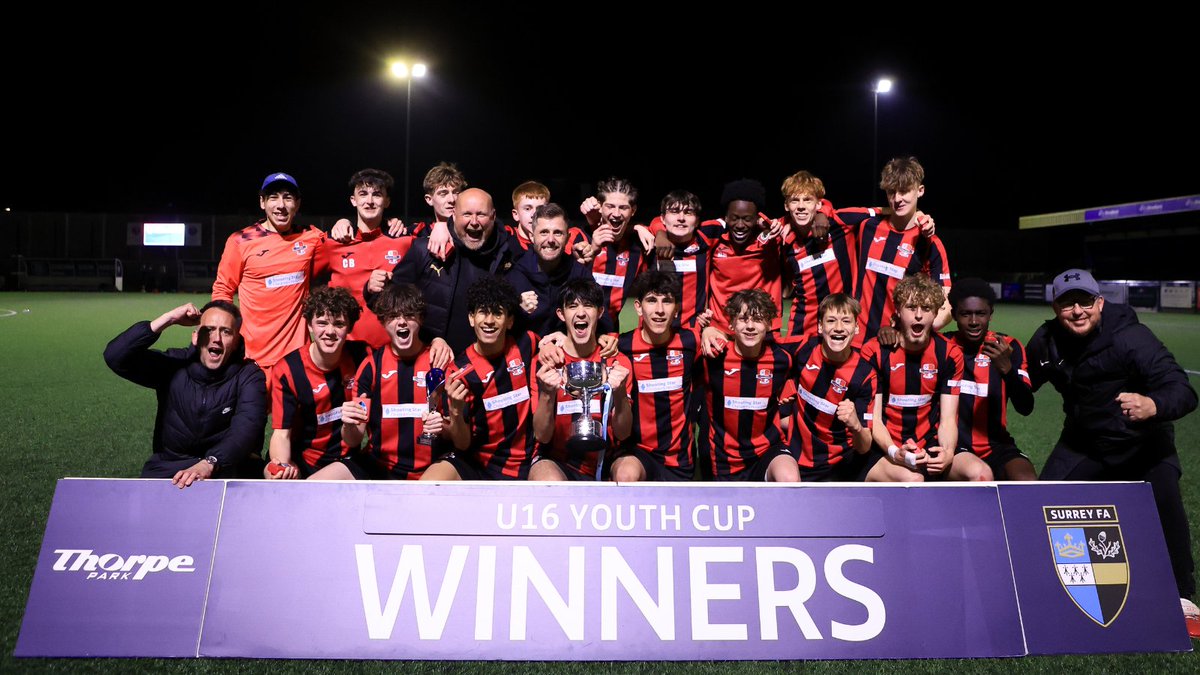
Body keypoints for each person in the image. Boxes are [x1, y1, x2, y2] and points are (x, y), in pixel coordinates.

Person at [1028, 268, 1198, 633]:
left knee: (1166, 496)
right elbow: (1024, 389)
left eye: (1085, 301)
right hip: (1085, 441)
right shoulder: (1046, 341)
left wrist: (1153, 404)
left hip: (1141, 442)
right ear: (1055, 307)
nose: (1077, 311)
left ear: (1100, 302)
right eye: (1067, 303)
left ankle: (1184, 597)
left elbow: (1182, 388)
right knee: (1041, 502)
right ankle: (1038, 586)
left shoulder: (1131, 337)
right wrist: (1009, 371)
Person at [103, 300, 266, 488]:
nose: (216, 338)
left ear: (237, 341)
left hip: (226, 468)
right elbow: (115, 357)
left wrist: (210, 462)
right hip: (169, 468)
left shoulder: (249, 375)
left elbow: (247, 428)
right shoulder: (174, 364)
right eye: (209, 329)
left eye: (226, 332)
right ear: (195, 337)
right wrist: (168, 319)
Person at [862, 274, 990, 482]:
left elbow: (948, 419)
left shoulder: (949, 354)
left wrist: (947, 452)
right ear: (898, 311)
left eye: (927, 309)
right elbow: (874, 419)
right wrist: (895, 452)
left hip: (928, 444)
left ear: (936, 313)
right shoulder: (875, 352)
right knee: (913, 480)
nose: (919, 316)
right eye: (911, 308)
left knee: (981, 474)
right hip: (886, 448)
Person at [366, 187, 523, 352]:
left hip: (488, 363)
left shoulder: (508, 253)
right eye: (467, 214)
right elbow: (390, 299)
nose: (474, 222)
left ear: (493, 216)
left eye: (481, 214)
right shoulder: (425, 250)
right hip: (435, 360)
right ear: (454, 215)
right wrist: (373, 289)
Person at [211, 173, 327, 377]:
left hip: (298, 357)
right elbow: (223, 289)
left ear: (297, 204)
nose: (281, 205)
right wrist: (222, 330)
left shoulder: (312, 237)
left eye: (288, 198)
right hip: (252, 357)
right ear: (262, 202)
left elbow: (347, 248)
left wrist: (344, 222)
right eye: (273, 197)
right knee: (253, 410)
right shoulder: (240, 241)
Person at [429, 277, 538, 480]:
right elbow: (462, 444)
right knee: (431, 481)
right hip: (479, 463)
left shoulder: (528, 344)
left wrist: (558, 339)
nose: (489, 321)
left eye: (497, 313)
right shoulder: (458, 373)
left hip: (528, 460)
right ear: (471, 318)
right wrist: (455, 409)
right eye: (482, 312)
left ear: (510, 320)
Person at [339, 283, 448, 480]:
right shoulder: (371, 366)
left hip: (431, 467)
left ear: (421, 319)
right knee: (321, 482)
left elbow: (458, 436)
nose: (402, 322)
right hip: (378, 464)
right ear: (382, 321)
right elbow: (353, 439)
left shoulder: (438, 362)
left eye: (409, 315)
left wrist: (443, 427)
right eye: (394, 316)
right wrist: (348, 425)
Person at [529, 279, 633, 481]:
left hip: (607, 458)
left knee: (628, 472)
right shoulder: (545, 363)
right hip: (557, 460)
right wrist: (548, 395)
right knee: (547, 480)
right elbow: (542, 436)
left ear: (600, 312)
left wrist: (619, 394)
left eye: (588, 305)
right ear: (561, 314)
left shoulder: (618, 363)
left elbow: (623, 433)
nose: (581, 312)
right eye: (573, 306)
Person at [265, 286, 369, 479]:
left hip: (345, 461)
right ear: (310, 325)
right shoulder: (288, 370)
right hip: (302, 458)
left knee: (312, 490)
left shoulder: (363, 356)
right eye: (321, 323)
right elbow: (282, 434)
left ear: (350, 327)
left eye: (338, 324)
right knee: (272, 472)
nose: (329, 331)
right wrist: (283, 466)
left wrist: (438, 341)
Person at [610, 271, 703, 482]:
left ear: (677, 310)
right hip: (636, 452)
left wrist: (712, 332)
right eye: (651, 301)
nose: (659, 310)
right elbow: (585, 343)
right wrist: (558, 337)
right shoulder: (620, 346)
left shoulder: (691, 342)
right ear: (638, 307)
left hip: (679, 458)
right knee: (626, 476)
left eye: (667, 302)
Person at [698, 289, 799, 482]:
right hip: (722, 456)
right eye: (743, 319)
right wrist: (707, 330)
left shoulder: (783, 358)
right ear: (731, 323)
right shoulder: (713, 355)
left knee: (789, 478)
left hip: (767, 450)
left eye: (758, 319)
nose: (750, 326)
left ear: (769, 324)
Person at [945, 278, 1037, 480]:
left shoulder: (1009, 347)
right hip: (953, 445)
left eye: (981, 314)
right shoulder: (943, 347)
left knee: (1027, 481)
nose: (974, 321)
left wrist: (1007, 370)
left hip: (997, 445)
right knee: (980, 477)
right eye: (965, 314)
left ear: (991, 314)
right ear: (954, 315)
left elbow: (1026, 407)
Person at [854, 157, 951, 345]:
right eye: (891, 192)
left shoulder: (930, 243)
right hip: (858, 342)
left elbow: (946, 306)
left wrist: (909, 330)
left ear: (920, 191)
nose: (897, 199)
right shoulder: (867, 228)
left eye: (905, 191)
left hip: (900, 345)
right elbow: (832, 216)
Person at [785, 293, 876, 481]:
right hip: (795, 458)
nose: (839, 328)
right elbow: (762, 346)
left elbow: (865, 445)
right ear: (820, 326)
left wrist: (856, 426)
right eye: (831, 320)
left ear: (857, 327)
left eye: (846, 321)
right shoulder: (805, 348)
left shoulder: (865, 374)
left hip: (840, 464)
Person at [507, 203, 598, 335]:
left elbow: (601, 318)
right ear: (532, 237)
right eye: (544, 232)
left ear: (567, 238)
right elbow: (500, 327)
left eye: (558, 233)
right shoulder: (514, 276)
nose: (550, 239)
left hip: (568, 351)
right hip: (526, 353)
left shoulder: (579, 274)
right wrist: (517, 309)